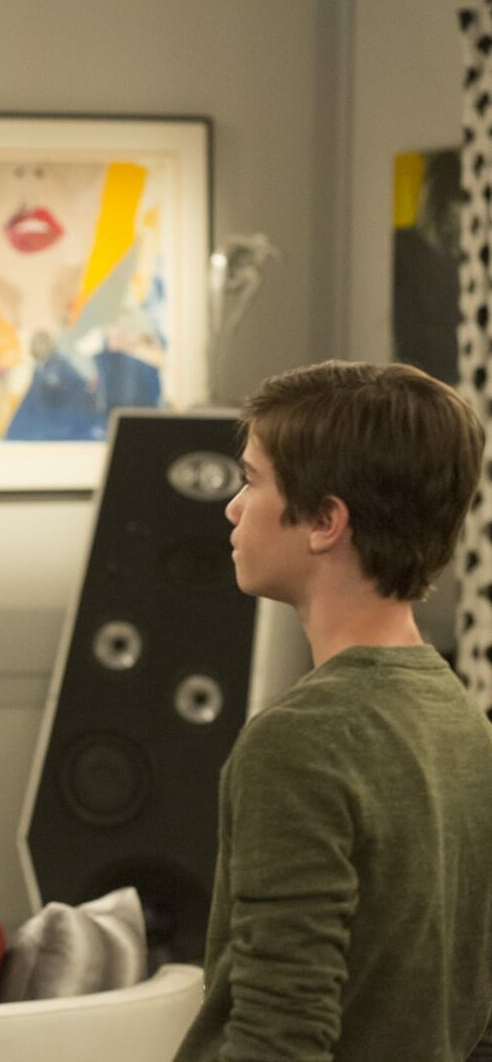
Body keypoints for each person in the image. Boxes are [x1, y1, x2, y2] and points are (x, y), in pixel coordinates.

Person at [173, 360, 492, 1060]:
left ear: (325, 520)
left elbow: (278, 1039)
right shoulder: (465, 724)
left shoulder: (298, 744)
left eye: (252, 480)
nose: (232, 508)